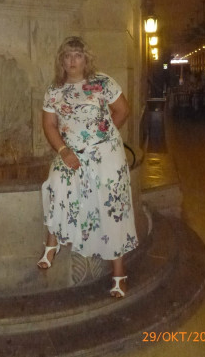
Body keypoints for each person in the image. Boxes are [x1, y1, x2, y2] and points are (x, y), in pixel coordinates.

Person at [37, 36, 138, 298]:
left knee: (111, 206)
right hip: (71, 153)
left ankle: (118, 273)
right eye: (67, 56)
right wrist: (64, 151)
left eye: (78, 55)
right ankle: (52, 242)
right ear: (61, 61)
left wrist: (102, 137)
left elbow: (123, 110)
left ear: (86, 59)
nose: (72, 61)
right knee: (56, 183)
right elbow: (49, 125)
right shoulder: (54, 90)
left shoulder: (102, 82)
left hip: (106, 154)